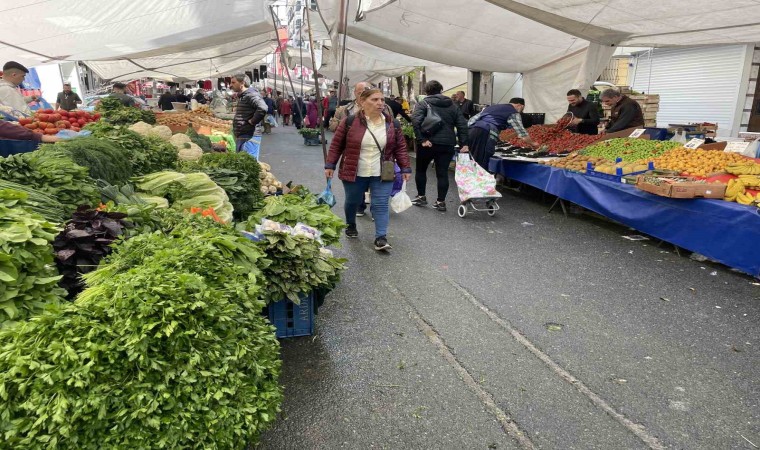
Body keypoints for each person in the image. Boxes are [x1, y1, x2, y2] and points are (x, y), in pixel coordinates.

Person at [325, 88, 412, 251]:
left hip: (382, 171)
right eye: (374, 99)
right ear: (362, 102)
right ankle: (351, 224)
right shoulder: (349, 122)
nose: (380, 103)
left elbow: (400, 147)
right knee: (353, 201)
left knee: (380, 204)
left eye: (382, 100)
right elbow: (337, 145)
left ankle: (381, 237)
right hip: (355, 170)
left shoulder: (392, 124)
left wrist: (405, 168)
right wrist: (330, 165)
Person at [410, 80, 469, 212]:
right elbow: (462, 125)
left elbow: (416, 120)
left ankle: (421, 197)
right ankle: (441, 202)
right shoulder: (453, 105)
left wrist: (422, 139)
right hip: (447, 143)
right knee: (442, 173)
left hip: (428, 143)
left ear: (426, 91)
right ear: (441, 90)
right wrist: (464, 143)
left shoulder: (423, 103)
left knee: (421, 170)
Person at [468, 98, 536, 170]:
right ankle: (480, 179)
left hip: (472, 131)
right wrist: (533, 143)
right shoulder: (513, 112)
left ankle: (469, 178)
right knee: (482, 159)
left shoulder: (491, 107)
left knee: (472, 158)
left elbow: (471, 121)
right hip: (486, 133)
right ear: (520, 105)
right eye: (522, 109)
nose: (521, 111)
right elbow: (522, 133)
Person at [230, 73, 267, 151]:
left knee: (247, 161)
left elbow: (263, 107)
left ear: (242, 83)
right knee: (242, 161)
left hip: (249, 136)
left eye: (233, 82)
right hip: (244, 135)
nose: (230, 85)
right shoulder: (244, 95)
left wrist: (252, 121)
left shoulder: (250, 94)